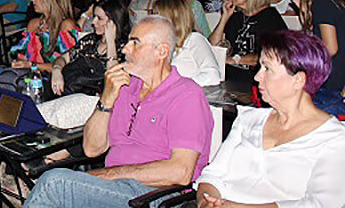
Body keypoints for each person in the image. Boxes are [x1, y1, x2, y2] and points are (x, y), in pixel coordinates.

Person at [25, 16, 213, 208]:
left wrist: (104, 175)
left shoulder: (186, 95)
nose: (124, 49)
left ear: (162, 51)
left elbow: (180, 172)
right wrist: (106, 99)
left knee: (55, 183)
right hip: (114, 188)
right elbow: (92, 149)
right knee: (58, 187)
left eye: (135, 43)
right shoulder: (125, 87)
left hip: (155, 194)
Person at [195, 31, 345, 207]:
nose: (258, 76)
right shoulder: (248, 119)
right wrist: (207, 203)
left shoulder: (333, 138)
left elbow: (321, 204)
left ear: (298, 80)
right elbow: (212, 175)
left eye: (267, 69)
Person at [289, 0, 345, 115]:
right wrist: (303, 12)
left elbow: (330, 47)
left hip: (330, 83)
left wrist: (306, 65)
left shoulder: (321, 1)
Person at [209, 0, 287, 67]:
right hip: (231, 74)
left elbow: (272, 55)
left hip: (255, 76)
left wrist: (234, 60)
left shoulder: (269, 17)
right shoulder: (236, 16)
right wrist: (224, 18)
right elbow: (212, 47)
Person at [6, 0, 79, 74]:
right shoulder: (34, 24)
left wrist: (33, 65)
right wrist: (21, 62)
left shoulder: (66, 25)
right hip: (31, 77)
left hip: (55, 81)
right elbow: (22, 56)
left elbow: (69, 66)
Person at [153, 0, 221, 86]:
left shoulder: (193, 39)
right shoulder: (159, 42)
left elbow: (212, 75)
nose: (152, 20)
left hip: (182, 95)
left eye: (156, 16)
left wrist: (180, 87)